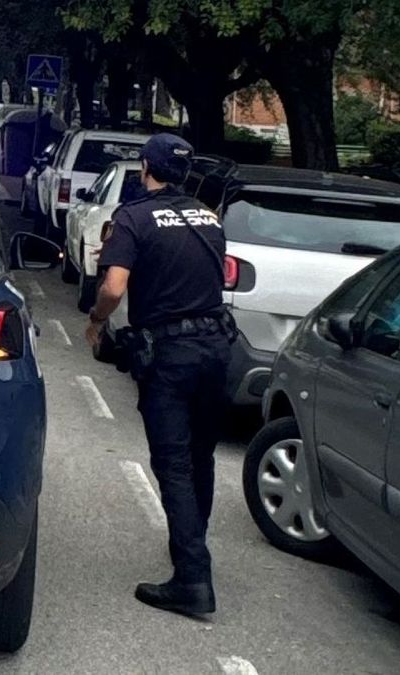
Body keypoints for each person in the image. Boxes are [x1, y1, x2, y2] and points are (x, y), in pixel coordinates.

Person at [85, 133, 235, 616]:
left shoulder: (132, 217)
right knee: (201, 456)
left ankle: (192, 578)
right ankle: (192, 545)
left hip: (170, 354)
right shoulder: (209, 218)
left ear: (145, 167)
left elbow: (113, 286)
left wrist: (97, 321)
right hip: (216, 348)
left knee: (172, 463)